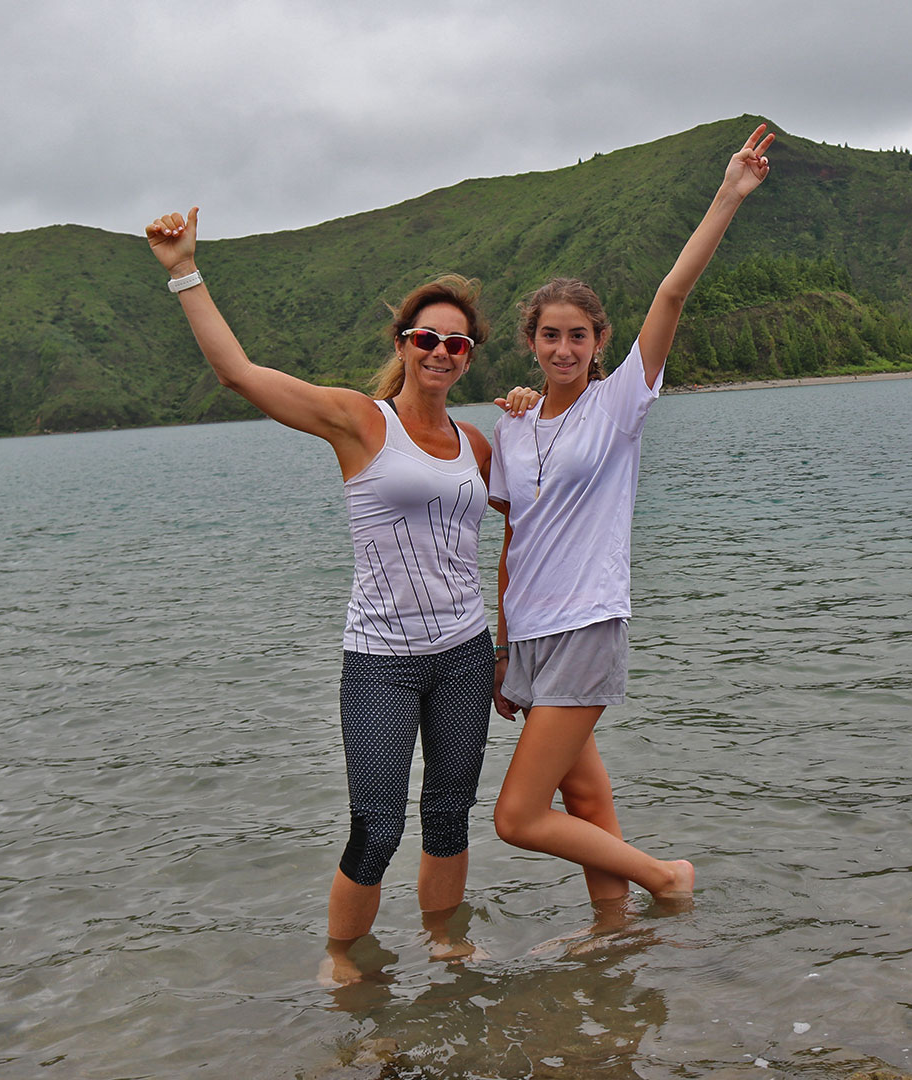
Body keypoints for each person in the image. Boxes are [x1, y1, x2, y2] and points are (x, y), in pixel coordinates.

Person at [142, 208, 538, 983]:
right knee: (378, 825)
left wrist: (508, 643)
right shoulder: (361, 423)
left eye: (457, 343)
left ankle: (444, 945)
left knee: (448, 816)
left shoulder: (479, 445)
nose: (442, 352)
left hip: (463, 656)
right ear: (404, 345)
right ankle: (343, 957)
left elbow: (535, 523)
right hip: (381, 661)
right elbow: (240, 374)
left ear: (468, 358)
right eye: (427, 338)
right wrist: (183, 269)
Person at [488, 123, 776, 904]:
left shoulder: (619, 405)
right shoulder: (512, 426)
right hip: (530, 635)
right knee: (583, 802)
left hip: (587, 623)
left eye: (578, 336)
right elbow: (514, 536)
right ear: (531, 342)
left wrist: (728, 194)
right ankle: (614, 935)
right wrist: (504, 646)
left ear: (599, 341)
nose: (564, 349)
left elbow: (673, 291)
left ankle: (663, 878)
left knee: (517, 816)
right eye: (550, 336)